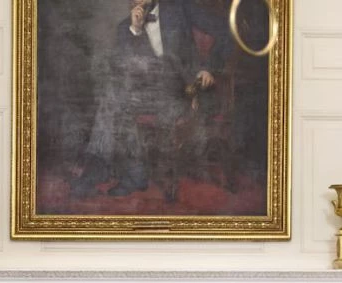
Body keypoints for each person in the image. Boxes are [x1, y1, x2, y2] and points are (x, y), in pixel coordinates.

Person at [73, 0, 229, 199]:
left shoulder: (180, 8)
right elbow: (120, 71)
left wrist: (208, 68)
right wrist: (135, 32)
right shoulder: (125, 27)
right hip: (145, 95)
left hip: (182, 93)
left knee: (116, 99)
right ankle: (109, 170)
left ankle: (129, 174)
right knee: (113, 96)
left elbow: (225, 30)